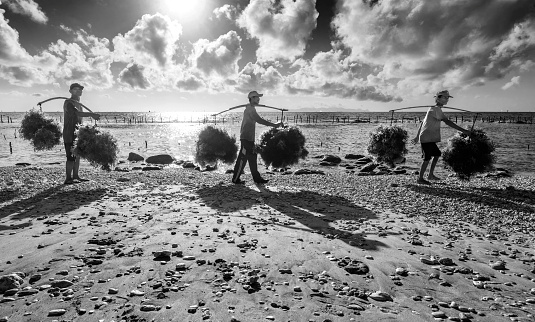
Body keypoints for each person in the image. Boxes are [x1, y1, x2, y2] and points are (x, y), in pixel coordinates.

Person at [411, 90, 471, 184]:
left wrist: (417, 136)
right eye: (445, 97)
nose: (447, 100)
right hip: (426, 138)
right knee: (427, 158)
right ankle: (420, 178)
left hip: (429, 137)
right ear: (438, 98)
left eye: (448, 98)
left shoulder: (435, 109)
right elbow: (447, 122)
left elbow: (423, 122)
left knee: (437, 154)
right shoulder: (435, 109)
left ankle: (430, 175)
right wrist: (464, 131)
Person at [232, 91, 283, 184]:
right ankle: (236, 179)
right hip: (246, 138)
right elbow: (259, 120)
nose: (259, 99)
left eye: (259, 98)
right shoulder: (250, 110)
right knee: (242, 159)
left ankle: (257, 179)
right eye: (257, 98)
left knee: (252, 158)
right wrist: (274, 125)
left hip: (249, 139)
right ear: (251, 98)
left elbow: (257, 119)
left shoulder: (250, 108)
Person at [63, 83, 100, 184]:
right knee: (70, 156)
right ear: (70, 91)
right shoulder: (68, 103)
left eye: (80, 90)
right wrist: (91, 114)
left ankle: (76, 176)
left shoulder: (79, 104)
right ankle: (68, 178)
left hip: (78, 132)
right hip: (69, 133)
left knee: (78, 154)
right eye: (75, 89)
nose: (78, 91)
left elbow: (80, 117)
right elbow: (76, 113)